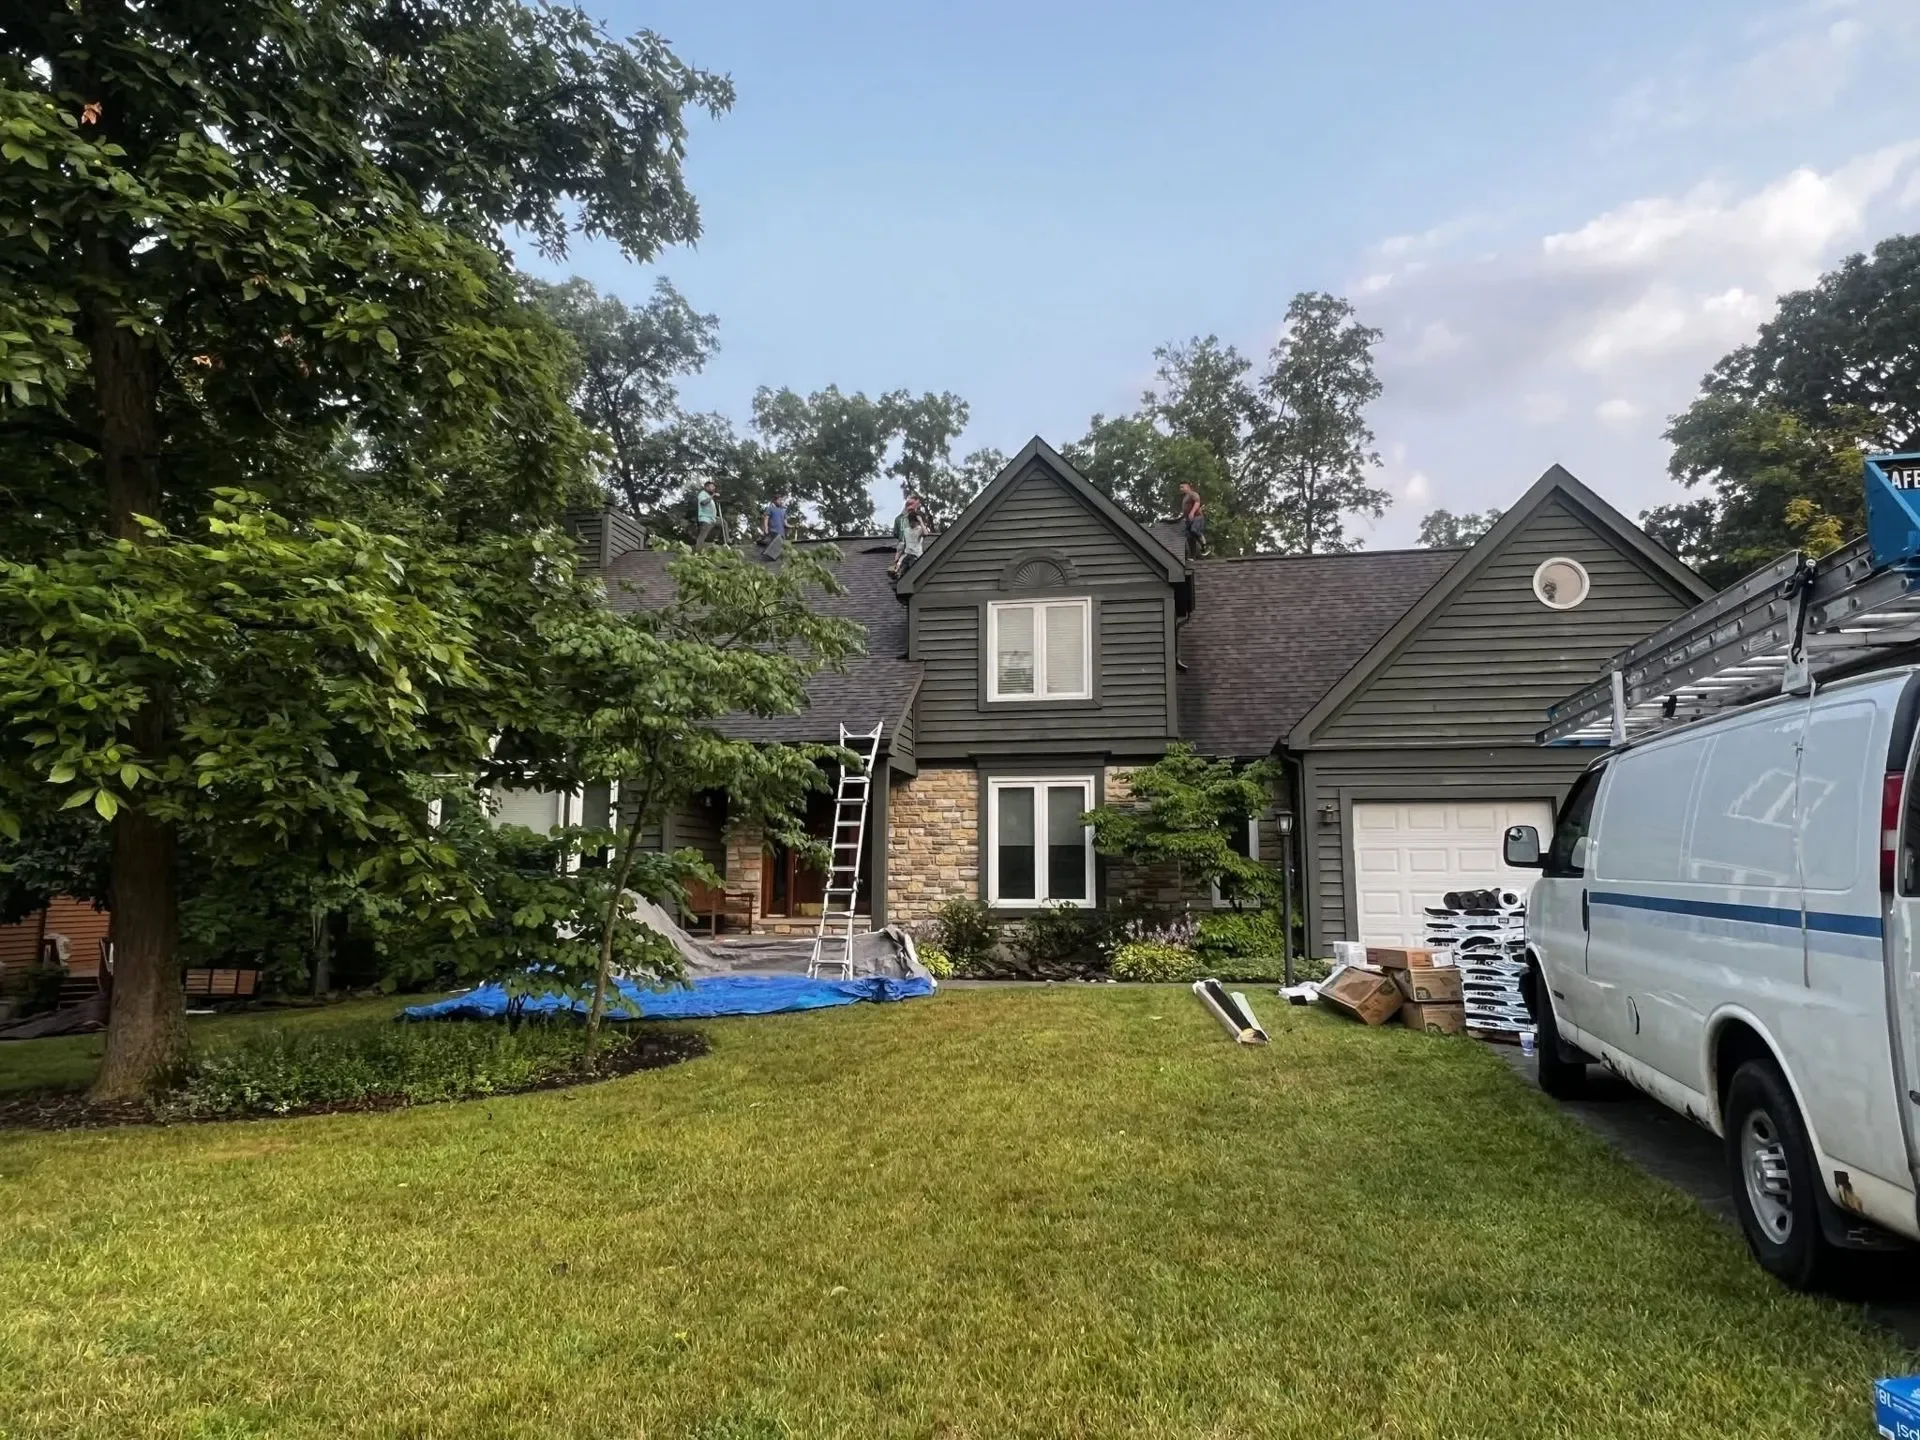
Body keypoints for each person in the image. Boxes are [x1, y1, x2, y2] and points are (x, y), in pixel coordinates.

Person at [890, 494, 928, 577]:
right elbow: (899, 538)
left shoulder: (918, 523)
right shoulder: (901, 522)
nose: (911, 523)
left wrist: (920, 521)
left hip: (915, 551)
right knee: (901, 563)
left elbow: (925, 533)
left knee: (912, 566)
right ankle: (897, 571)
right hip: (906, 549)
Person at [1178, 482, 1206, 560]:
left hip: (1197, 517)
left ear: (1188, 487)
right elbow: (1185, 511)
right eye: (1180, 488)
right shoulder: (1184, 498)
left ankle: (1203, 541)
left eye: (1182, 487)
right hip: (1189, 520)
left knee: (1194, 530)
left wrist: (1192, 512)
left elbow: (1197, 502)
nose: (1181, 489)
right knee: (1189, 537)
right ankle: (1192, 556)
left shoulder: (1192, 494)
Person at [759, 491, 790, 558]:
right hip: (773, 531)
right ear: (775, 501)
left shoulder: (783, 511)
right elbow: (766, 518)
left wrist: (793, 526)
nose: (781, 501)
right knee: (772, 546)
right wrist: (766, 528)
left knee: (779, 549)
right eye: (779, 500)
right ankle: (766, 555)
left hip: (781, 534)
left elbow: (785, 523)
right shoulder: (770, 509)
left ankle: (772, 557)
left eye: (781, 500)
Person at [693, 480, 720, 549]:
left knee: (723, 523)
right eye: (712, 487)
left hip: (712, 518)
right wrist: (712, 496)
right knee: (703, 535)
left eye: (714, 487)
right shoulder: (702, 494)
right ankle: (697, 550)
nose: (714, 488)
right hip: (705, 518)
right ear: (706, 487)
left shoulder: (709, 496)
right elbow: (703, 503)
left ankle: (727, 541)